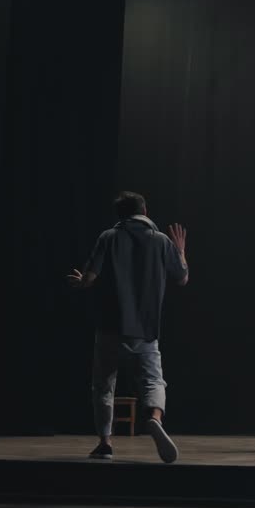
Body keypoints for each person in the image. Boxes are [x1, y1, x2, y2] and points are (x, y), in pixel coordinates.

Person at [66, 191, 188, 463]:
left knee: (103, 386)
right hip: (146, 330)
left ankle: (105, 443)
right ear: (144, 209)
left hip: (110, 328)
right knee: (154, 380)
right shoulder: (161, 241)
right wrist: (180, 252)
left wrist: (79, 281)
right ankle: (155, 417)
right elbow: (182, 278)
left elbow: (89, 278)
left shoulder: (108, 237)